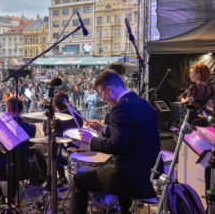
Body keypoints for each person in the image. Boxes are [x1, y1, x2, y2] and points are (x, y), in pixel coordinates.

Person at [70, 69, 162, 214]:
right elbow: (132, 134)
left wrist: (91, 140)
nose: (102, 98)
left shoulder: (120, 109)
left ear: (109, 90)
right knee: (103, 167)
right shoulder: (143, 103)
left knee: (79, 180)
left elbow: (118, 146)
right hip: (151, 174)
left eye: (101, 93)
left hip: (130, 177)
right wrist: (103, 127)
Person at [0, 97, 36, 206]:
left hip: (1, 169)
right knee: (16, 163)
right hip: (23, 169)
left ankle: (0, 196)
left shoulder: (1, 126)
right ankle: (11, 197)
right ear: (22, 109)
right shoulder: (31, 127)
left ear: (8, 108)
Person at [34, 91, 83, 186]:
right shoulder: (77, 115)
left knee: (37, 147)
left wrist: (46, 121)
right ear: (68, 102)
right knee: (57, 143)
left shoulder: (54, 118)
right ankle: (61, 177)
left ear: (54, 104)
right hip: (75, 150)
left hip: (59, 153)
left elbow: (47, 133)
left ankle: (47, 179)